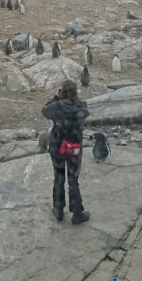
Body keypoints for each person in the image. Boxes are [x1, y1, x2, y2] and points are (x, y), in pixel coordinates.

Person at [41, 79, 90, 224]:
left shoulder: (56, 107)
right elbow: (83, 119)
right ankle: (77, 213)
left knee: (59, 178)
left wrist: (57, 98)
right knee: (73, 180)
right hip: (74, 148)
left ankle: (58, 210)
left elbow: (44, 110)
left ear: (62, 92)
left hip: (57, 147)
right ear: (76, 93)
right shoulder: (81, 107)